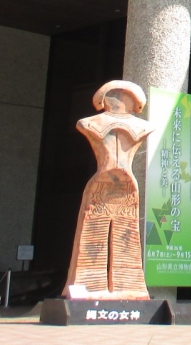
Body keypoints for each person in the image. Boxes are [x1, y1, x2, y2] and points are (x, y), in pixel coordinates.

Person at [63, 80, 157, 299]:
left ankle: (127, 287)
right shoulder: (89, 123)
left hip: (122, 186)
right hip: (109, 184)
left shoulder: (141, 126)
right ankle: (90, 286)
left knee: (126, 238)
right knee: (93, 238)